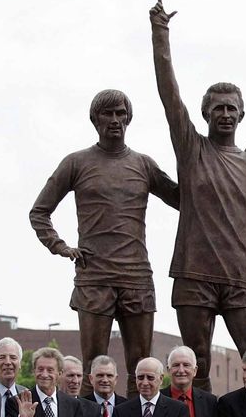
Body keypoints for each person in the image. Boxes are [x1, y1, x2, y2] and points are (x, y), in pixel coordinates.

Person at [149, 0, 246, 392]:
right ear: (206, 113)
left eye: (231, 108)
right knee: (195, 366)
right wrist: (160, 34)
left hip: (241, 277)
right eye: (217, 107)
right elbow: (169, 94)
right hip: (193, 274)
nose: (225, 113)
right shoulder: (192, 148)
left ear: (242, 113)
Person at [30, 89, 179, 396]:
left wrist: (201, 167)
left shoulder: (144, 165)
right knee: (94, 367)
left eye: (120, 113)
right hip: (94, 277)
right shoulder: (76, 163)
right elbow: (39, 212)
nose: (114, 120)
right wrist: (60, 246)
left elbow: (184, 200)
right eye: (107, 114)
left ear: (129, 118)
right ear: (94, 119)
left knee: (142, 369)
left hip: (137, 276)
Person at [114, 358, 189, 417]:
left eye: (150, 377)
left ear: (161, 379)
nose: (145, 383)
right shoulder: (121, 411)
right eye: (140, 377)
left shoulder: (178, 410)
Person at [23, 347, 83, 417]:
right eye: (40, 369)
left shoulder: (74, 404)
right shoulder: (19, 402)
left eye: (50, 370)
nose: (44, 375)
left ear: (60, 373)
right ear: (34, 371)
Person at [160, 346, 217, 417]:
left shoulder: (210, 402)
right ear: (168, 370)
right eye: (176, 365)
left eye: (186, 365)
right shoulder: (156, 399)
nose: (181, 370)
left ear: (195, 371)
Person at [0, 338, 28, 417]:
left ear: (20, 364)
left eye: (13, 357)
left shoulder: (27, 396)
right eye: (2, 357)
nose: (8, 362)